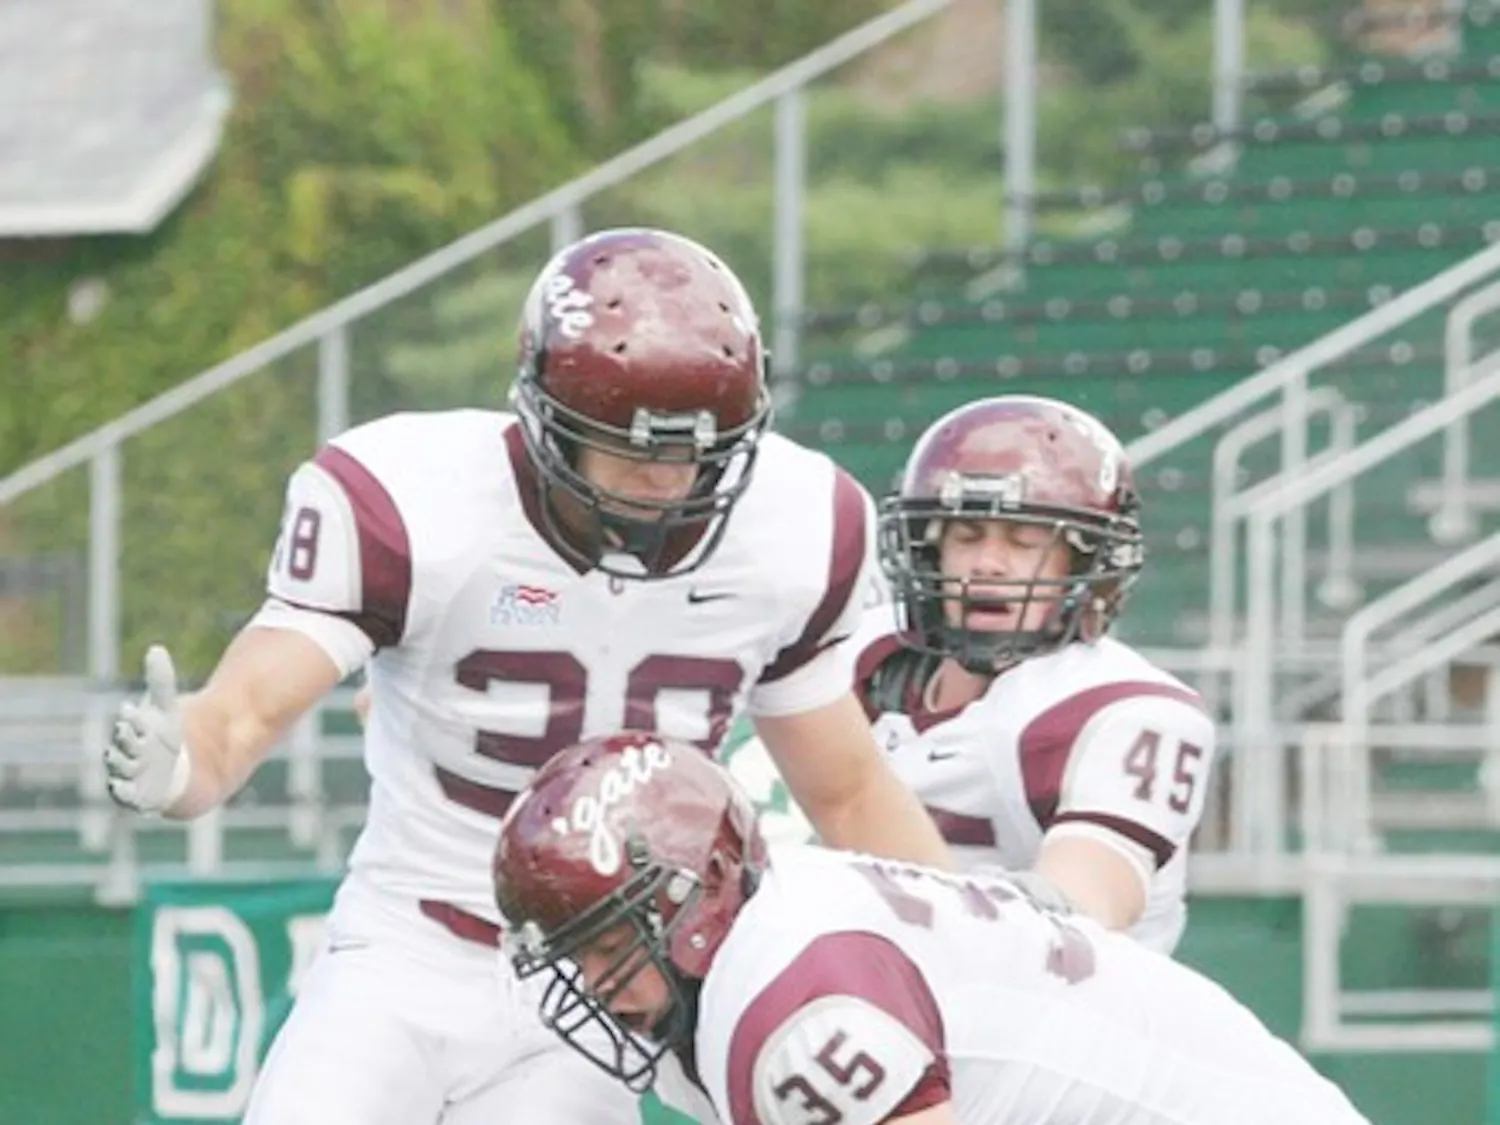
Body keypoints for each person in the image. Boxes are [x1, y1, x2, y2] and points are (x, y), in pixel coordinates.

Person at [102, 226, 952, 1125]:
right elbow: (242, 713)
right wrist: (184, 765)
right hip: (405, 943)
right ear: (549, 418)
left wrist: (980, 931)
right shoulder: (425, 504)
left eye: (694, 451)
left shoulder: (795, 525)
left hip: (605, 982)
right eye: (634, 449)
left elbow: (848, 790)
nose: (668, 482)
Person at [493, 733, 1372, 1125]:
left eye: (610, 946)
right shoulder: (777, 925)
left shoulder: (800, 1008)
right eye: (576, 954)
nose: (598, 986)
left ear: (706, 891)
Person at [722, 395, 1216, 953]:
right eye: (966, 536)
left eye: (1024, 541)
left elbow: (1084, 906)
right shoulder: (854, 651)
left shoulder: (1121, 708)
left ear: (1086, 566)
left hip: (1041, 996)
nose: (988, 564)